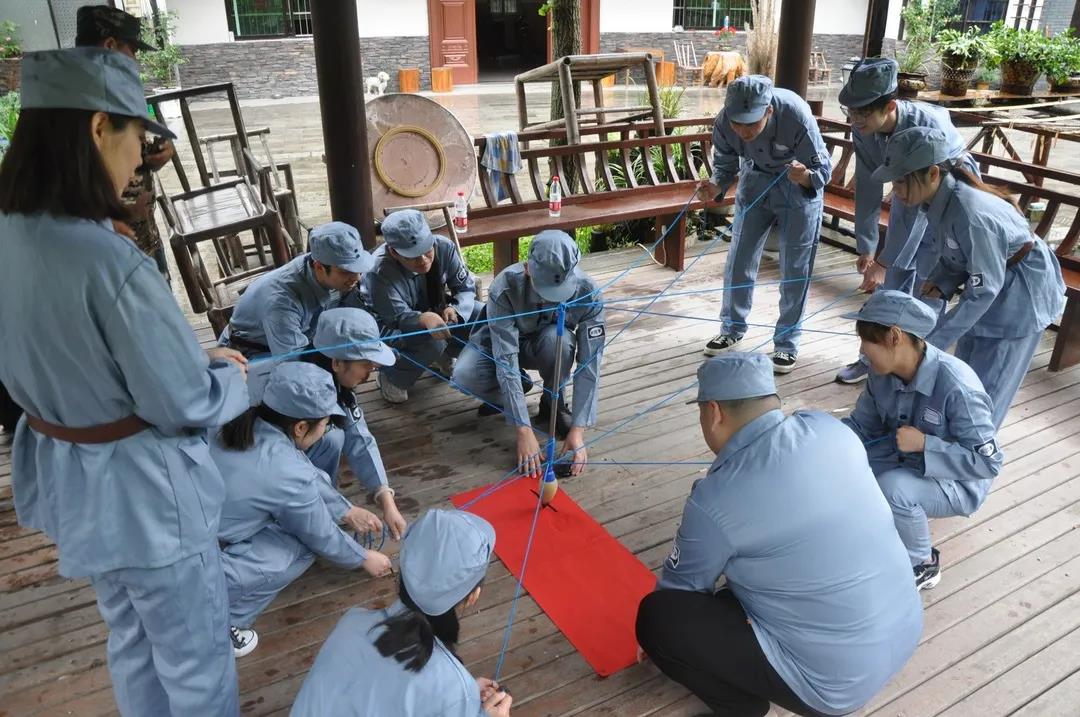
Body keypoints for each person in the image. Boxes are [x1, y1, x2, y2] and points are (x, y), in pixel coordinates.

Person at [0, 48, 250, 715]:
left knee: (132, 642)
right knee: (197, 664)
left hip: (74, 484)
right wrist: (228, 376)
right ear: (97, 128)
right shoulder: (108, 263)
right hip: (146, 499)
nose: (141, 156)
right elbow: (183, 400)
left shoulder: (11, 234)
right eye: (136, 135)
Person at [636, 353, 922, 717]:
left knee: (658, 618)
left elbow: (681, 591)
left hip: (830, 687)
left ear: (714, 412)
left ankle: (740, 709)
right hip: (904, 631)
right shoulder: (830, 429)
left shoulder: (717, 498)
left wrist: (661, 643)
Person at [875, 126, 1066, 428]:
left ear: (933, 173)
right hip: (991, 282)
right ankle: (949, 443)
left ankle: (974, 453)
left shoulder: (970, 212)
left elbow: (984, 290)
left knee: (985, 394)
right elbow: (957, 253)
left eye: (901, 180)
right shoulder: (936, 200)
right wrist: (943, 280)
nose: (895, 190)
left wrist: (932, 342)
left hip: (1020, 294)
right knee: (961, 376)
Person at [212, 361, 392, 657]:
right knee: (301, 546)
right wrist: (363, 558)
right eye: (324, 423)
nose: (325, 430)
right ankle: (223, 622)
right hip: (197, 558)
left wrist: (345, 510)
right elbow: (320, 535)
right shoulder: (284, 470)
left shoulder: (244, 418)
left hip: (184, 523)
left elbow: (302, 473)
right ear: (300, 427)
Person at [841, 290, 1002, 590]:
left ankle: (923, 562)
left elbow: (988, 463)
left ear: (894, 336)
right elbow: (862, 426)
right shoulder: (881, 372)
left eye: (866, 340)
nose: (862, 350)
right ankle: (885, 535)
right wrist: (823, 440)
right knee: (843, 468)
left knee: (894, 489)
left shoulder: (958, 386)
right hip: (903, 457)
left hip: (956, 481)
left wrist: (926, 444)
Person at [834, 58, 979, 384]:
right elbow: (868, 184)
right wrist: (868, 246)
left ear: (890, 106)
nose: (855, 120)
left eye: (862, 113)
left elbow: (917, 211)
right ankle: (873, 357)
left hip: (946, 195)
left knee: (927, 283)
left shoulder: (923, 126)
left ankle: (917, 368)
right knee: (892, 282)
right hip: (909, 192)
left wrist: (884, 261)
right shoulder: (863, 127)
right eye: (850, 112)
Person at [290, 509, 512, 717]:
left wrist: (462, 694)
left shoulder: (352, 621)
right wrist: (463, 699)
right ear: (473, 596)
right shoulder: (454, 691)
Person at [700, 75, 832, 374]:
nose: (743, 130)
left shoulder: (795, 115)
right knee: (739, 257)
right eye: (737, 123)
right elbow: (724, 164)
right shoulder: (724, 121)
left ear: (769, 111)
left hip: (796, 187)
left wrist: (806, 176)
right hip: (754, 180)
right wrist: (715, 185)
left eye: (751, 123)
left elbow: (822, 168)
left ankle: (787, 343)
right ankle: (732, 328)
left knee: (795, 267)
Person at [451, 230, 605, 478]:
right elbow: (505, 359)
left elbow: (590, 363)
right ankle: (511, 395)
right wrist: (523, 429)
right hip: (498, 347)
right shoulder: (504, 287)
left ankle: (553, 403)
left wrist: (578, 430)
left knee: (560, 340)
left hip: (546, 345)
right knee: (465, 374)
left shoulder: (589, 293)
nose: (550, 298)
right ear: (527, 269)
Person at [75, 4, 176, 280]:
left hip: (142, 234)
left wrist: (157, 155)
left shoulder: (120, 90)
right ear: (110, 46)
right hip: (111, 249)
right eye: (132, 50)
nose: (135, 60)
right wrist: (111, 218)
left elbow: (133, 153)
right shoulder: (71, 107)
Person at [305, 307, 408, 539]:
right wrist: (344, 510)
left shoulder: (332, 381)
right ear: (337, 363)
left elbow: (359, 437)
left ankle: (321, 504)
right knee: (332, 436)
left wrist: (386, 499)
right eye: (366, 364)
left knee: (335, 435)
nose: (370, 372)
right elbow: (290, 466)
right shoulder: (301, 394)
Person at [358, 209, 479, 404]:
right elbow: (395, 319)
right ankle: (393, 375)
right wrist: (423, 319)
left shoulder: (444, 246)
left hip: (436, 311)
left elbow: (465, 288)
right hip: (390, 328)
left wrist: (455, 309)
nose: (423, 260)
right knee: (433, 340)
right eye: (412, 256)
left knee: (480, 314)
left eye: (427, 250)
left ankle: (444, 354)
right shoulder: (378, 272)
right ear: (393, 252)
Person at [220, 221, 374, 357]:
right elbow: (294, 361)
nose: (357, 278)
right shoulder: (282, 304)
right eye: (346, 272)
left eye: (358, 269)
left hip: (296, 337)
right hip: (251, 352)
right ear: (319, 267)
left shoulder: (321, 264)